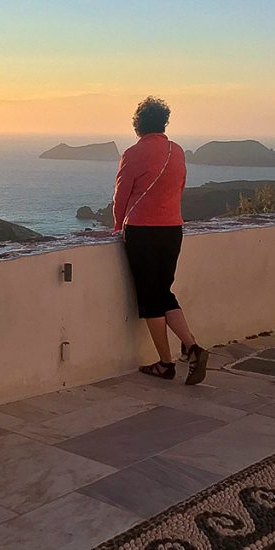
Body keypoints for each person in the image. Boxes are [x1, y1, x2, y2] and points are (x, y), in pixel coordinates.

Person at [112, 96, 208, 385]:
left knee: (150, 299)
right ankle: (192, 347)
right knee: (164, 291)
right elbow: (179, 188)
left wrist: (118, 225)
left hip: (142, 230)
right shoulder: (176, 151)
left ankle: (166, 364)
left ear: (137, 124)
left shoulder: (133, 153)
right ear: (163, 122)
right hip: (172, 228)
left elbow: (121, 195)